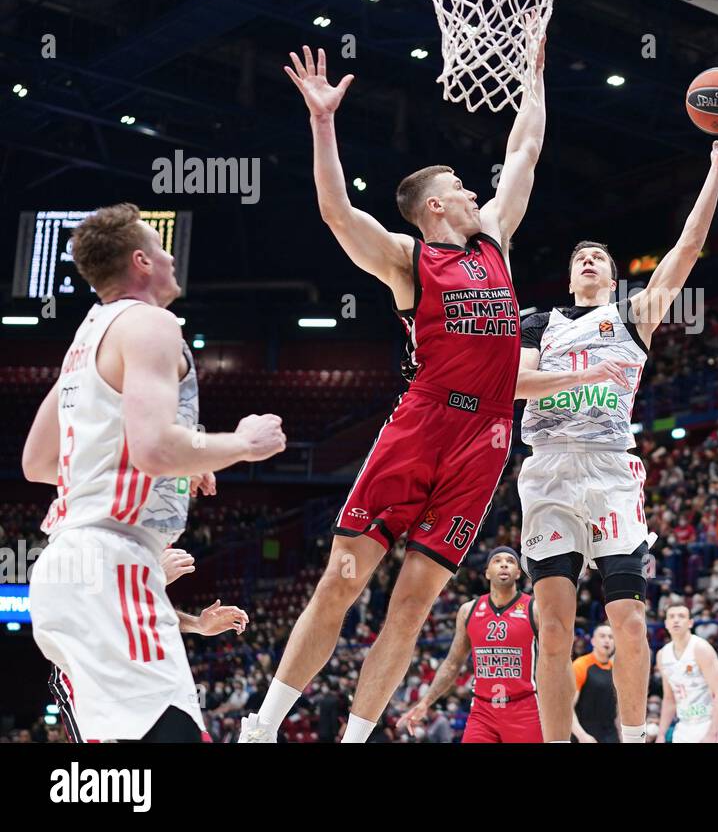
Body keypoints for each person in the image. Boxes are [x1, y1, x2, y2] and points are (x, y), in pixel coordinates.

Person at [240, 43, 545, 743]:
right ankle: (263, 726)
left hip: (489, 437)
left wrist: (534, 73)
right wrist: (323, 123)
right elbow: (337, 212)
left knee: (412, 606)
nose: (477, 193)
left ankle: (355, 739)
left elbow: (525, 149)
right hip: (424, 423)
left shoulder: (492, 240)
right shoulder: (410, 260)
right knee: (342, 578)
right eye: (464, 187)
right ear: (436, 205)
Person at [517, 114, 718, 744]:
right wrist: (576, 379)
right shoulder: (540, 322)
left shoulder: (631, 317)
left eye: (599, 257)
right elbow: (513, 386)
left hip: (609, 469)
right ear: (570, 276)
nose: (589, 261)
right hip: (546, 470)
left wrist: (716, 170)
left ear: (613, 277)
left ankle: (630, 735)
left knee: (627, 618)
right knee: (554, 624)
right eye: (580, 257)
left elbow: (686, 251)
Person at [22, 204, 285, 742]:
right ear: (142, 260)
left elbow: (39, 462)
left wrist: (179, 469)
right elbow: (152, 450)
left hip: (66, 569)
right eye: (161, 249)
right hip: (110, 560)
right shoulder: (150, 323)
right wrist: (242, 445)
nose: (171, 258)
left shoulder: (87, 338)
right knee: (175, 737)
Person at [50, 547, 249, 743]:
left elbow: (143, 612)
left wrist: (198, 625)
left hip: (140, 668)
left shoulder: (148, 541)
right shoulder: (86, 543)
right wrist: (153, 578)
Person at [397, 548, 542, 743]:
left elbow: (553, 663)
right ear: (487, 572)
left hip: (524, 708)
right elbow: (452, 664)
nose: (504, 564)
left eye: (510, 561)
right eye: (497, 560)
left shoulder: (534, 608)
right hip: (483, 711)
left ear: (518, 573)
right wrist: (425, 703)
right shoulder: (468, 610)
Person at [656, 604, 718, 743]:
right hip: (684, 725)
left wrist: (712, 733)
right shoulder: (662, 655)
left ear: (690, 623)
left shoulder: (701, 648)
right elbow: (669, 699)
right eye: (671, 617)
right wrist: (661, 734)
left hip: (709, 722)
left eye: (681, 616)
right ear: (666, 623)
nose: (676, 620)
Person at [572, 624, 619, 743]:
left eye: (611, 637)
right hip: (585, 733)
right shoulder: (580, 665)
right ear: (593, 641)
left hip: (611, 735)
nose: (607, 640)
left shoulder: (617, 670)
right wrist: (582, 736)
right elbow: (567, 707)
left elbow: (619, 711)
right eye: (602, 636)